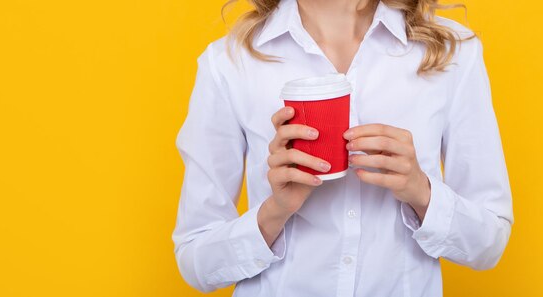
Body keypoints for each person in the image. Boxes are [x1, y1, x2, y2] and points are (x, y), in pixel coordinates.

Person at [172, 0, 514, 296]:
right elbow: (196, 261)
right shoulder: (229, 64)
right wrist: (275, 211)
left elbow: (489, 244)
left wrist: (421, 193)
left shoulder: (453, 52)